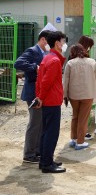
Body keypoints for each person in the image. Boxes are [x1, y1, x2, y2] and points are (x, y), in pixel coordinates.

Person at [14, 30, 51, 164]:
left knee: (40, 122)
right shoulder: (32, 51)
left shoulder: (44, 53)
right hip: (32, 92)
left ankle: (37, 151)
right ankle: (29, 154)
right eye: (48, 41)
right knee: (35, 123)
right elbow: (18, 63)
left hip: (39, 92)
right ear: (42, 40)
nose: (49, 44)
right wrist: (34, 67)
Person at [35, 31, 67, 173]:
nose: (64, 44)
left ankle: (45, 160)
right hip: (52, 101)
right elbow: (46, 82)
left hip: (48, 100)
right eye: (63, 41)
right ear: (57, 43)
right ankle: (47, 163)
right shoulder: (54, 60)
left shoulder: (48, 58)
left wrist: (39, 97)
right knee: (51, 133)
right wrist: (40, 97)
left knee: (46, 132)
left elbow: (39, 80)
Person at [64, 44, 96, 150]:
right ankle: (80, 142)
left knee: (75, 116)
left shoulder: (70, 63)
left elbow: (66, 81)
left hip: (73, 94)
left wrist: (65, 95)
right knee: (83, 118)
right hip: (88, 94)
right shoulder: (92, 62)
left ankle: (74, 139)